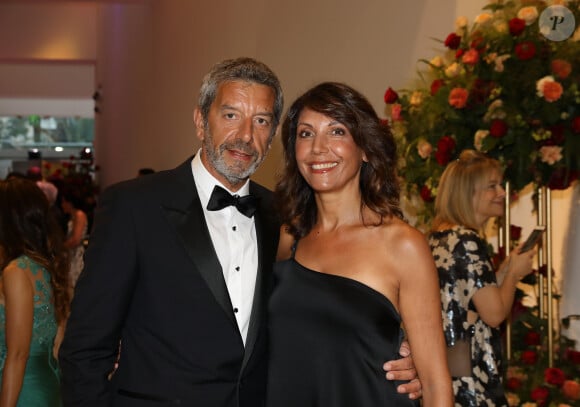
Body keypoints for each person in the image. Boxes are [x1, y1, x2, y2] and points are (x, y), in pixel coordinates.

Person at [58, 57, 421, 406]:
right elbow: (85, 348)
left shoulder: (286, 219)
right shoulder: (134, 207)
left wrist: (393, 353)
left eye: (261, 121)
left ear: (273, 134)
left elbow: (319, 313)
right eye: (231, 115)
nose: (245, 136)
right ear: (201, 121)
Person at [269, 82, 453, 406]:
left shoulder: (402, 245)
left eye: (337, 132)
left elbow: (437, 386)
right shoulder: (288, 239)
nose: (318, 148)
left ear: (365, 148)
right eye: (306, 133)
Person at [428, 149, 535, 406]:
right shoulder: (467, 240)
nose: (501, 193)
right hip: (471, 376)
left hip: (449, 367)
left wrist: (504, 271)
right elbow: (494, 313)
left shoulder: (439, 236)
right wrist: (515, 276)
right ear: (467, 192)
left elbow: (470, 298)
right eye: (491, 186)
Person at [0, 178, 70, 406]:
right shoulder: (44, 266)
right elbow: (58, 344)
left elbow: (18, 355)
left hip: (21, 391)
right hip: (46, 384)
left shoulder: (17, 271)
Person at [60, 188, 89, 289]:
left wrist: (60, 247)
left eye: (64, 202)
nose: (62, 205)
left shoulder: (79, 215)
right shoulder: (72, 216)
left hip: (77, 254)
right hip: (71, 253)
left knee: (75, 283)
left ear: (70, 202)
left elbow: (76, 239)